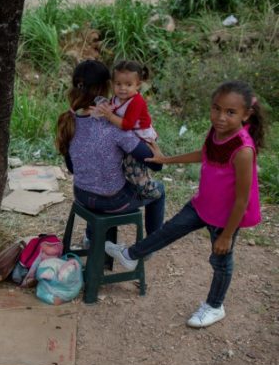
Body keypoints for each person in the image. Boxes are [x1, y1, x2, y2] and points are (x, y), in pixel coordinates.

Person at [105, 80, 264, 328]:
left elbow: (242, 199)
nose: (221, 117)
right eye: (216, 108)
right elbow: (204, 154)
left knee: (220, 262)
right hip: (203, 205)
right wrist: (165, 160)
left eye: (230, 112)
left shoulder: (243, 150)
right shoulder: (216, 132)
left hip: (226, 218)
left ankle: (214, 305)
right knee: (170, 229)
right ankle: (131, 255)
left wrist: (227, 235)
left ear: (246, 115)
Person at [55, 60, 165, 246]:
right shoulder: (114, 126)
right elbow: (156, 164)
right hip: (111, 201)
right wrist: (155, 146)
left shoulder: (70, 119)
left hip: (81, 195)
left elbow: (73, 168)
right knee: (159, 191)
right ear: (108, 86)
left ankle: (92, 239)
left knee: (102, 181)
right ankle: (151, 245)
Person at [96, 60, 160, 199]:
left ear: (138, 85)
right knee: (121, 162)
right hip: (127, 136)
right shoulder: (117, 98)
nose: (122, 88)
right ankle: (129, 185)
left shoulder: (136, 101)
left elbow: (127, 125)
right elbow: (113, 110)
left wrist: (109, 115)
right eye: (118, 84)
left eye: (128, 84)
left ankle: (148, 189)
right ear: (112, 84)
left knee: (134, 167)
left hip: (141, 136)